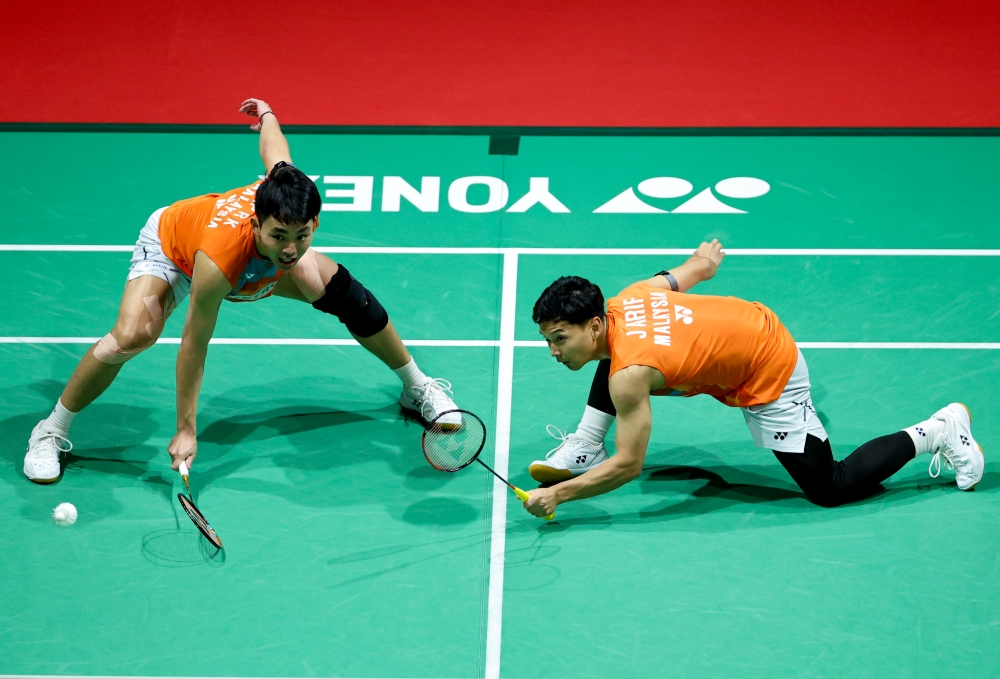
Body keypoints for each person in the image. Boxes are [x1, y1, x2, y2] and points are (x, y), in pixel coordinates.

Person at [23, 98, 460, 483]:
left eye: (302, 235)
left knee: (348, 296)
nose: (291, 249)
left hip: (250, 263)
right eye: (279, 236)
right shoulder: (217, 263)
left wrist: (266, 113)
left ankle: (416, 388)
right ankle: (50, 430)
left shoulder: (287, 191)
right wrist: (186, 428)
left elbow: (276, 150)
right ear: (257, 224)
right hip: (176, 251)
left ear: (314, 224)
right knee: (134, 335)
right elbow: (193, 345)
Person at [522, 241, 984, 517]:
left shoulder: (629, 376)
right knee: (620, 357)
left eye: (560, 338)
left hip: (769, 367)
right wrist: (702, 263)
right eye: (548, 341)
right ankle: (586, 443)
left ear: (594, 323)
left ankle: (938, 431)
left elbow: (628, 465)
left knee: (829, 487)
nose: (554, 352)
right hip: (751, 323)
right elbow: (683, 275)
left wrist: (560, 495)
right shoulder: (627, 299)